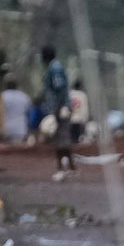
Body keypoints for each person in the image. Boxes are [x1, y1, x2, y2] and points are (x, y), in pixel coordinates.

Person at [39, 45, 74, 178]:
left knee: (60, 138)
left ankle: (61, 168)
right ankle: (71, 167)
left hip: (60, 108)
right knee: (63, 138)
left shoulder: (54, 68)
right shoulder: (53, 68)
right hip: (60, 106)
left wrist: (57, 109)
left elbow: (59, 88)